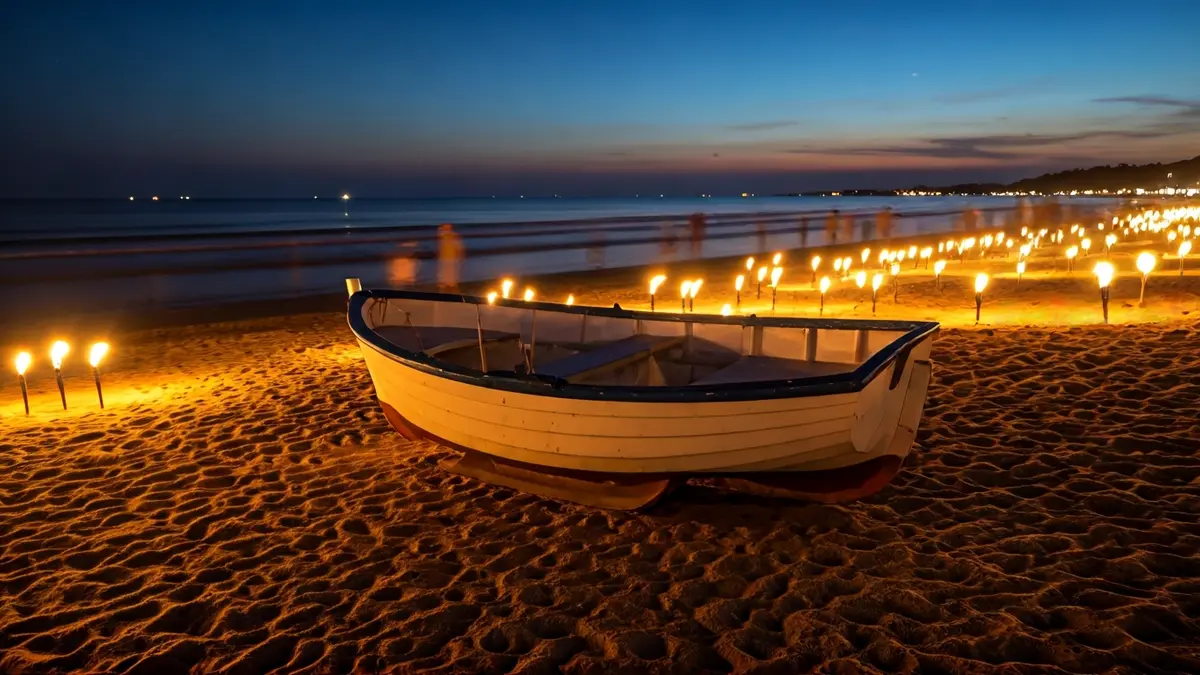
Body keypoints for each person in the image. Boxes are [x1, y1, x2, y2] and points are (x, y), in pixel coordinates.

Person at [437, 223, 463, 291]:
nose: (446, 228)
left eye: (448, 226)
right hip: (446, 258)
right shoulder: (444, 235)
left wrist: (460, 255)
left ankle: (450, 286)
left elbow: (459, 247)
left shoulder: (451, 235)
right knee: (447, 272)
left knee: (450, 273)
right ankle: (448, 285)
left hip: (450, 258)